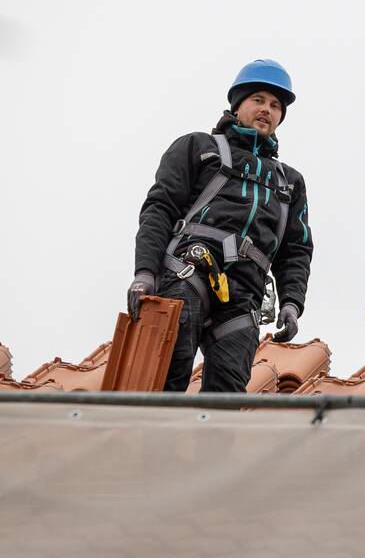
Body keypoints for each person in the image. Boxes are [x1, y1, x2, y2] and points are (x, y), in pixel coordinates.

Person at [127, 59, 313, 392]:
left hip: (245, 296)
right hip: (187, 271)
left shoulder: (289, 182)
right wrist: (145, 273)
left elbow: (296, 251)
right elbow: (159, 209)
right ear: (237, 105)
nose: (267, 110)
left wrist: (291, 303)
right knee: (164, 376)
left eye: (275, 106)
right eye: (258, 99)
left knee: (227, 395)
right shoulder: (198, 148)